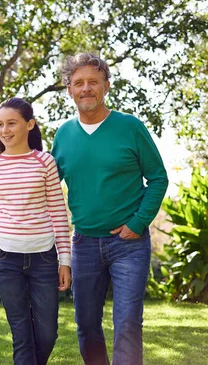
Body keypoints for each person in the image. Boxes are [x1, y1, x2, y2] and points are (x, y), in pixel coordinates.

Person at [52, 52, 168, 365]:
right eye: (79, 83)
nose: (86, 88)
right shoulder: (63, 135)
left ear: (106, 87)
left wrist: (139, 222)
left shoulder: (130, 127)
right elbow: (47, 189)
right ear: (70, 91)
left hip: (128, 244)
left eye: (93, 81)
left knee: (128, 322)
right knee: (87, 326)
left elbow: (158, 178)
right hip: (84, 244)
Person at [0, 98, 71, 365]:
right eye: (0, 124)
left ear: (29, 124)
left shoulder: (44, 162)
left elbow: (58, 212)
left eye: (11, 123)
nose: (5, 130)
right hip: (6, 258)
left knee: (47, 334)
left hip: (44, 257)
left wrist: (65, 261)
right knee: (22, 335)